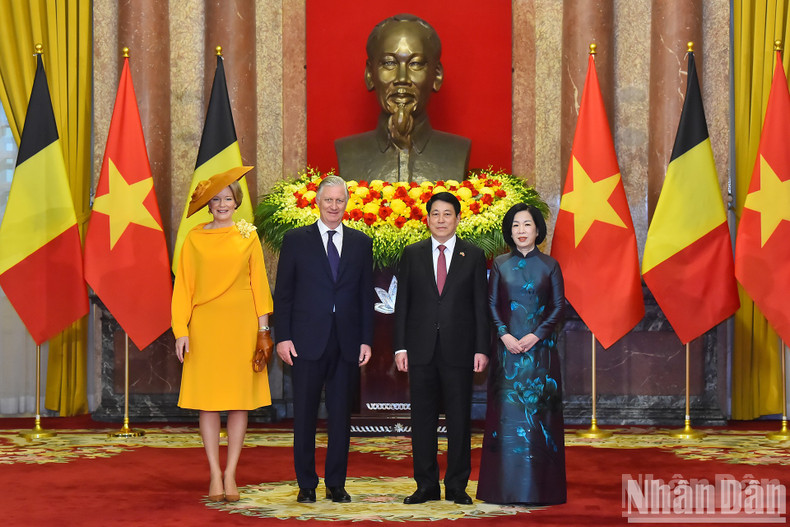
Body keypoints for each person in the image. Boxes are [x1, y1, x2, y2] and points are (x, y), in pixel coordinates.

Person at [172, 165, 274, 502]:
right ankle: (214, 474)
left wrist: (263, 332)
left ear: (236, 201)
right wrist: (180, 330)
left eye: (227, 198)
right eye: (215, 199)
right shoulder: (194, 238)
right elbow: (183, 287)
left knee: (239, 403)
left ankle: (232, 474)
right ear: (207, 204)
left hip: (242, 326)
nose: (222, 204)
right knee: (209, 403)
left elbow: (259, 285)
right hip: (205, 327)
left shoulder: (248, 234)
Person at [274, 175, 374, 504]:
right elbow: (284, 295)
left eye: (340, 200)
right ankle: (306, 483)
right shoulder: (296, 240)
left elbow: (364, 297)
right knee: (304, 415)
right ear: (317, 202)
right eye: (328, 200)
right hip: (305, 342)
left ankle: (336, 483)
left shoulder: (361, 243)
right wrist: (283, 337)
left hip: (346, 342)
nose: (334, 206)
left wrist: (366, 340)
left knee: (340, 417)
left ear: (347, 203)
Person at [393, 192, 489, 505]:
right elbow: (402, 304)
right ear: (427, 218)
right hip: (420, 350)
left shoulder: (472, 255)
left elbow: (480, 306)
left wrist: (481, 348)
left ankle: (457, 485)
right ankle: (426, 485)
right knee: (422, 421)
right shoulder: (412, 253)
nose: (441, 220)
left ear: (458, 218)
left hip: (460, 351)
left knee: (459, 421)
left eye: (447, 214)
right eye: (435, 214)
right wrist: (400, 347)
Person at [477, 203, 566, 505]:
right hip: (507, 356)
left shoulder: (550, 265)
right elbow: (490, 304)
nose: (521, 231)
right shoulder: (500, 264)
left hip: (541, 356)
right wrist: (504, 334)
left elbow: (557, 307)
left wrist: (535, 335)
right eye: (515, 225)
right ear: (509, 231)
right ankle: (501, 489)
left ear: (538, 229)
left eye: (527, 225)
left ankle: (542, 490)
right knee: (507, 419)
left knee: (539, 418)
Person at [335, 13, 470, 183]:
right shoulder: (348, 152)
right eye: (389, 63)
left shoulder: (457, 151)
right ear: (370, 74)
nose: (402, 79)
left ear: (436, 76)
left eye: (416, 64)